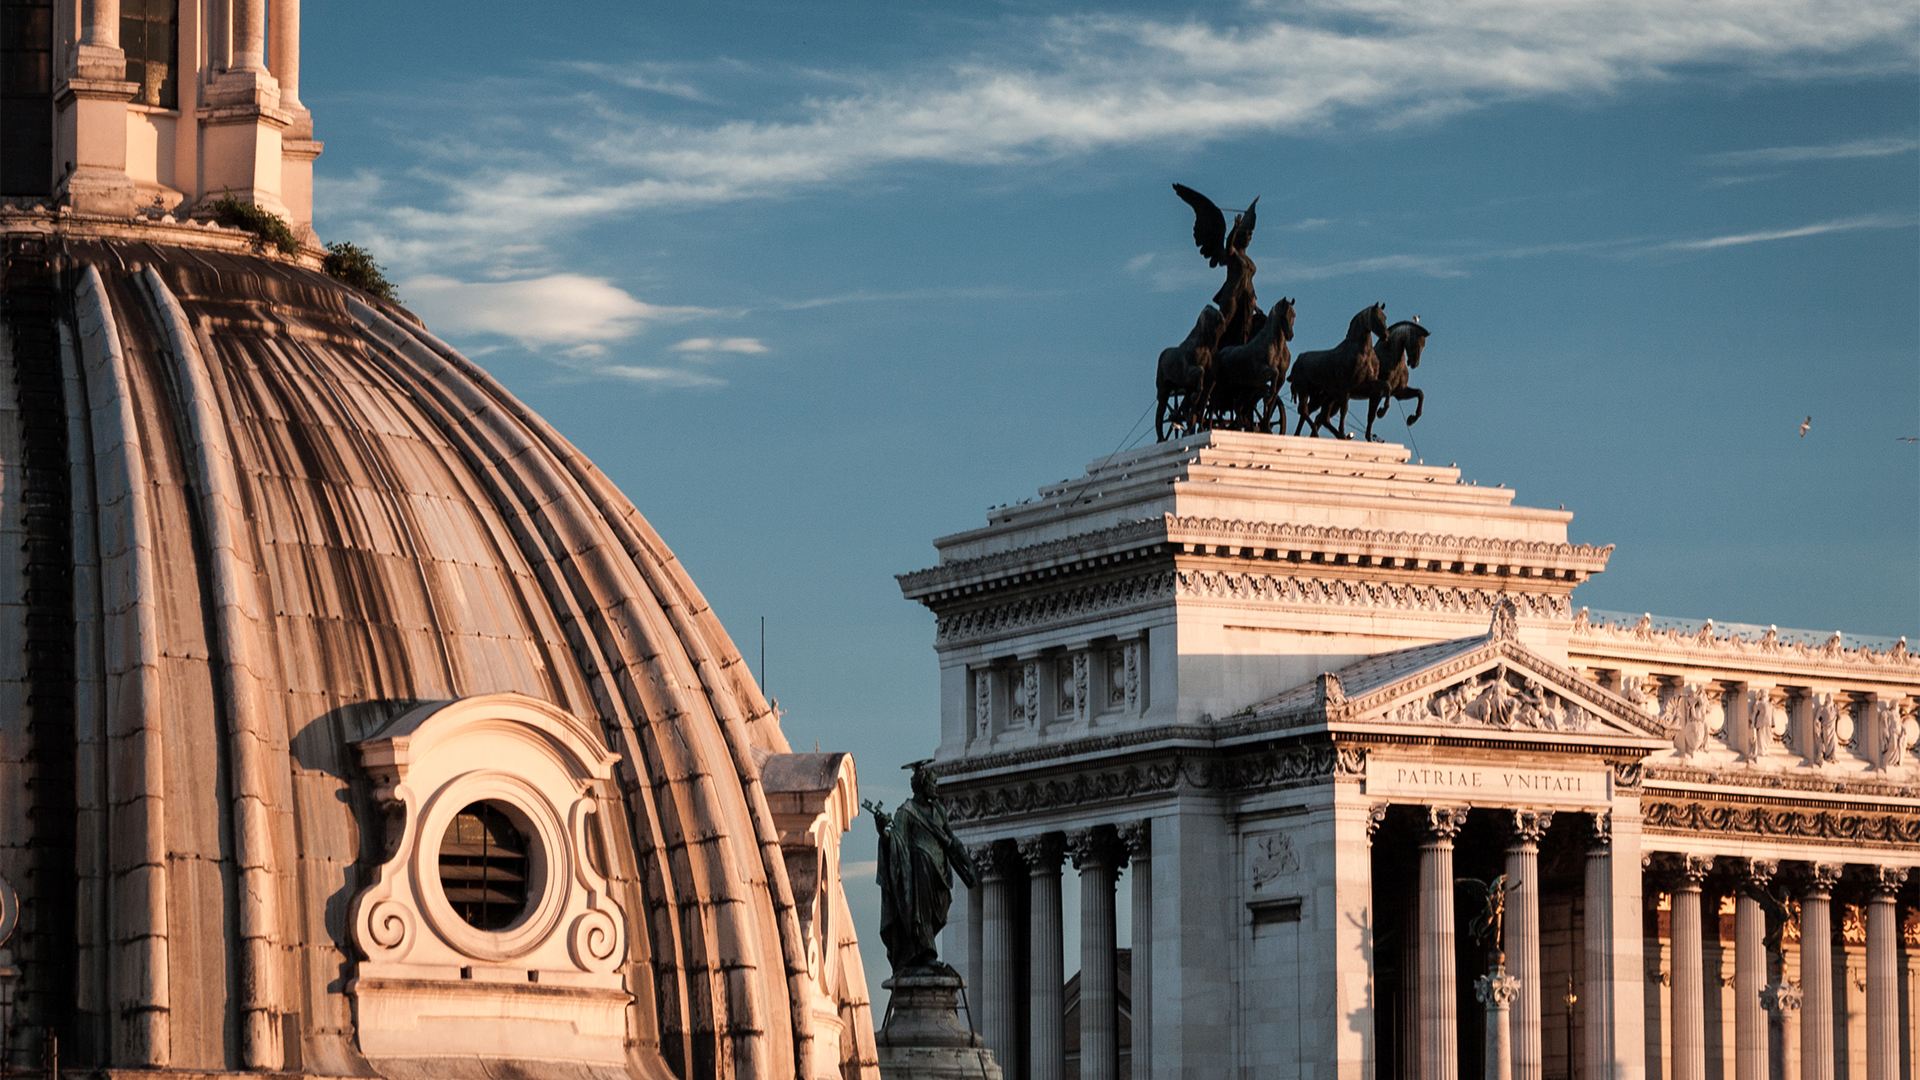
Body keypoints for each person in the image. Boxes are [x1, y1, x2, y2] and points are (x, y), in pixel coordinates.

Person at [866, 763, 977, 974]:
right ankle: (925, 953)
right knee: (921, 914)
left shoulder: (939, 810)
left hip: (939, 875)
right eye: (933, 782)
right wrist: (883, 833)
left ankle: (925, 951)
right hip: (919, 875)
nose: (936, 786)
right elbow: (896, 841)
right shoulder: (906, 812)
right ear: (923, 785)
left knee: (940, 912)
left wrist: (968, 865)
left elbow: (952, 840)